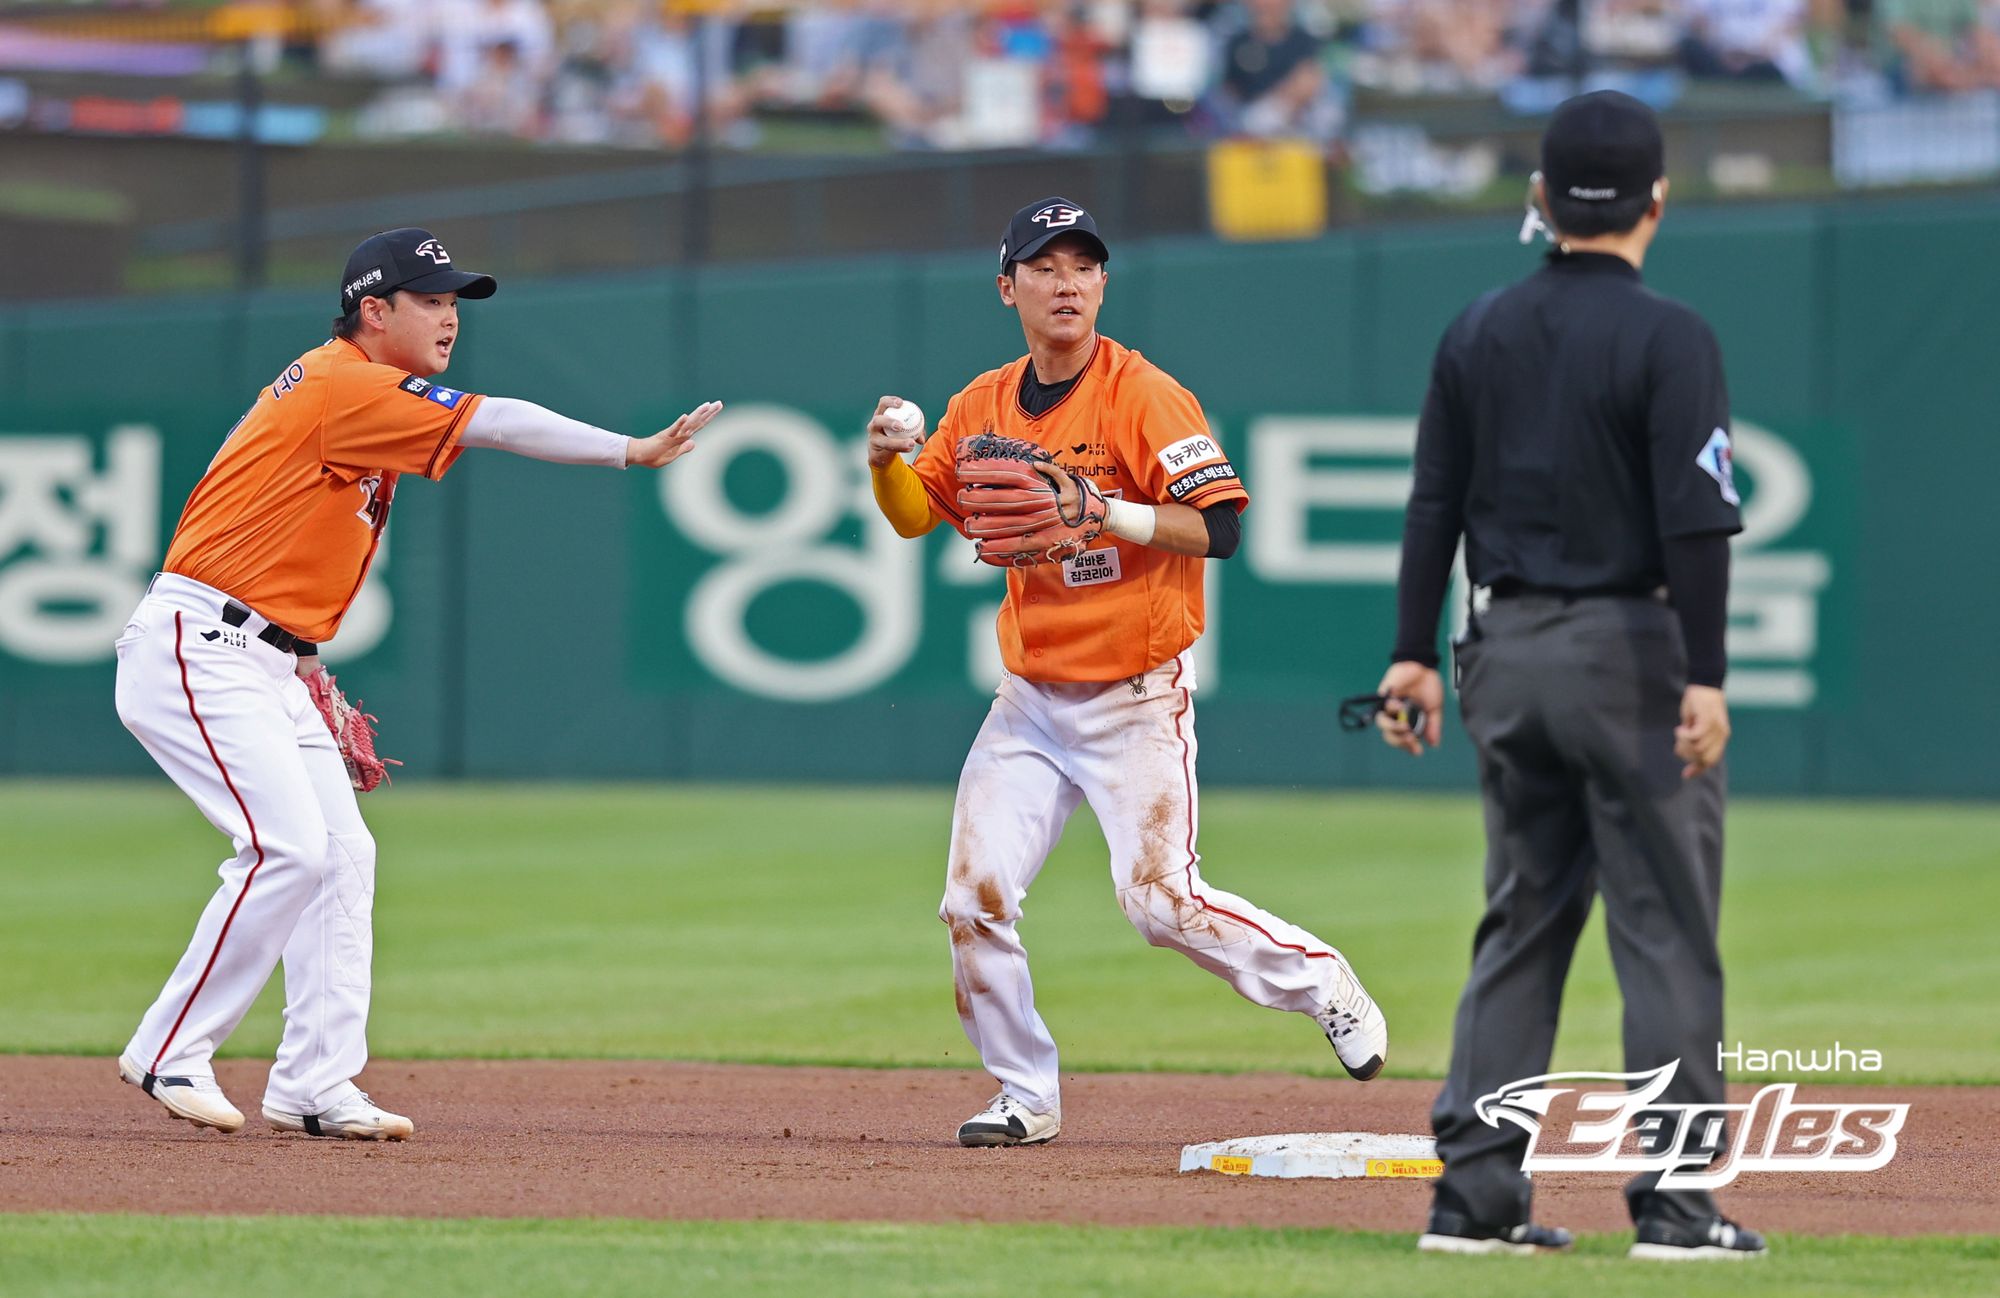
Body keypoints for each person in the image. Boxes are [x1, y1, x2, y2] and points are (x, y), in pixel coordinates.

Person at [114, 227, 721, 1141]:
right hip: (199, 646)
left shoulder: (354, 398)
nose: (449, 319)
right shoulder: (346, 382)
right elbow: (501, 420)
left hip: (266, 655)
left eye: (454, 303)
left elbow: (282, 535)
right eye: (431, 301)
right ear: (374, 310)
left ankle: (315, 1085)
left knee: (343, 857)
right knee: (288, 849)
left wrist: (305, 661)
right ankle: (169, 1048)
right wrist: (630, 450)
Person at [864, 197, 1387, 1147]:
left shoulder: (1143, 394)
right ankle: (1025, 1093)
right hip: (1027, 702)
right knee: (972, 898)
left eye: (1084, 266)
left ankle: (1323, 984)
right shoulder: (981, 404)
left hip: (1135, 697)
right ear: (1007, 287)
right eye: (1044, 266)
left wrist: (1110, 514)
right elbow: (913, 515)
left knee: (1160, 903)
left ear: (1103, 283)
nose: (1066, 283)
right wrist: (883, 462)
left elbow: (1222, 527)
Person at [1377, 92, 1766, 1259]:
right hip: (1628, 655)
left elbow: (1431, 503)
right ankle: (1676, 1204)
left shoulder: (1475, 327)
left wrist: (1409, 650)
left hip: (1501, 651)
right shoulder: (1671, 336)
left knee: (1519, 923)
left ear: (1540, 197)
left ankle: (1474, 1198)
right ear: (1656, 198)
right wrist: (1705, 673)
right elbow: (1696, 523)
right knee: (1663, 932)